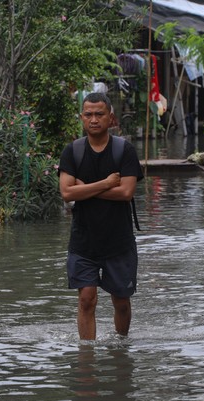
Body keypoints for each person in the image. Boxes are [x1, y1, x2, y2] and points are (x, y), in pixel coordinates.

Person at [58, 92, 143, 340]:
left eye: (99, 114)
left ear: (111, 118)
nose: (93, 119)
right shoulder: (72, 151)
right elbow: (66, 192)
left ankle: (121, 347)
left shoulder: (124, 150)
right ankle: (87, 356)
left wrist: (85, 189)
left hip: (118, 240)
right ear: (81, 117)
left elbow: (126, 192)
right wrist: (105, 184)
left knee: (121, 302)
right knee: (86, 299)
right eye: (88, 114)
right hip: (84, 241)